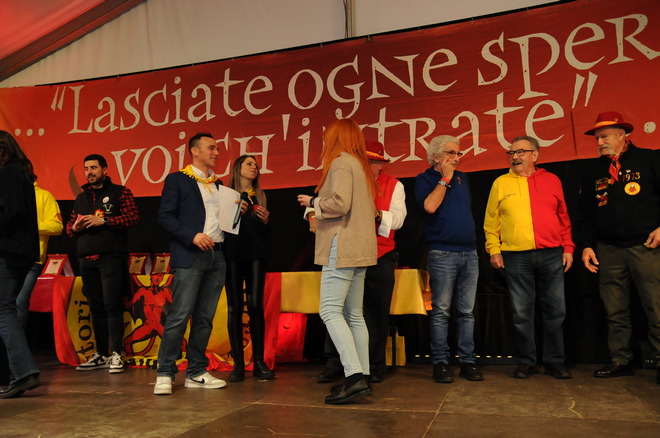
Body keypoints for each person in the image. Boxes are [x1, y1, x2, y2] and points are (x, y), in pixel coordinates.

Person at [297, 118, 379, 405]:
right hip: (359, 247)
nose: (323, 142)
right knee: (354, 314)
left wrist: (313, 203)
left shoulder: (341, 163)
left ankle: (354, 377)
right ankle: (363, 374)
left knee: (330, 311)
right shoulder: (360, 166)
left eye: (326, 137)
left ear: (337, 138)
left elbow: (340, 204)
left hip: (341, 245)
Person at [154, 132, 241, 395]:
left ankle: (196, 372)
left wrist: (236, 213)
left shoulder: (219, 184)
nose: (216, 152)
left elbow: (223, 221)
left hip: (217, 254)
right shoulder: (177, 179)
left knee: (205, 318)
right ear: (194, 151)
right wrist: (191, 235)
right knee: (179, 315)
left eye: (217, 149)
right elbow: (165, 217)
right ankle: (165, 372)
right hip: (190, 254)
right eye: (211, 148)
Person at [577, 111, 659, 385]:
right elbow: (585, 214)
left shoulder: (648, 159)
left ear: (622, 134)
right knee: (614, 309)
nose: (600, 142)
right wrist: (587, 246)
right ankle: (620, 359)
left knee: (656, 305)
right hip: (608, 249)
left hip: (646, 246)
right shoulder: (593, 170)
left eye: (605, 136)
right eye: (597, 138)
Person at [315, 141, 407, 384]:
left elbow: (398, 219)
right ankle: (338, 364)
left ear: (380, 165)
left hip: (381, 254)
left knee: (371, 312)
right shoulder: (349, 179)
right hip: (350, 250)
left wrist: (376, 214)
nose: (367, 167)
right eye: (365, 162)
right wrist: (312, 212)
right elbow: (329, 204)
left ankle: (370, 366)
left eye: (372, 163)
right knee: (344, 310)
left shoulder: (394, 185)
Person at [484, 136, 574, 380]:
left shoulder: (552, 180)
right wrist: (494, 249)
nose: (515, 157)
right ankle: (526, 361)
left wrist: (568, 247)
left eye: (520, 152)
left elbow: (563, 217)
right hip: (515, 256)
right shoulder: (500, 183)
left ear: (535, 155)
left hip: (552, 253)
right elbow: (491, 221)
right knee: (522, 312)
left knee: (555, 310)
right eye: (511, 153)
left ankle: (555, 361)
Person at [415, 135, 483, 383]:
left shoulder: (463, 178)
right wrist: (444, 179)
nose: (456, 157)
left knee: (467, 312)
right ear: (436, 157)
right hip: (442, 253)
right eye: (451, 153)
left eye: (458, 153)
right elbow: (430, 207)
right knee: (441, 311)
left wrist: (452, 176)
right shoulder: (424, 179)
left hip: (470, 253)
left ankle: (467, 362)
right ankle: (441, 362)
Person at [67, 154, 139, 374]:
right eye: (86, 168)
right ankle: (101, 354)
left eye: (94, 168)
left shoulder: (120, 192)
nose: (89, 172)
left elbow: (133, 217)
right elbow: (70, 228)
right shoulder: (81, 197)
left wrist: (105, 220)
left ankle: (116, 353)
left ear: (105, 169)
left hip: (110, 257)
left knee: (111, 305)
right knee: (96, 307)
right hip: (86, 258)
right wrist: (75, 228)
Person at [224, 155, 275, 382]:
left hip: (256, 254)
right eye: (249, 164)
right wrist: (236, 214)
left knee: (255, 306)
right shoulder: (227, 195)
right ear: (238, 168)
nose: (254, 167)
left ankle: (259, 362)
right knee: (235, 307)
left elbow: (267, 234)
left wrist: (266, 221)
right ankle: (237, 364)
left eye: (256, 165)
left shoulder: (261, 196)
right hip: (232, 255)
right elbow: (222, 229)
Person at [0, 131, 41, 398]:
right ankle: (16, 374)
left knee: (3, 311)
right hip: (18, 251)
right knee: (6, 311)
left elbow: (10, 213)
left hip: (8, 250)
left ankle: (24, 372)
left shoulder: (10, 173)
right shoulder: (19, 173)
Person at [16, 180, 63, 330]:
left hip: (31, 260)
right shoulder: (8, 193)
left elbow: (57, 226)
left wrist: (31, 227)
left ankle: (17, 343)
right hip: (7, 258)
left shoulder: (44, 196)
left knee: (19, 301)